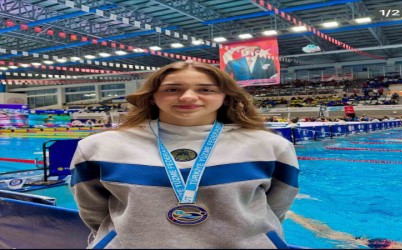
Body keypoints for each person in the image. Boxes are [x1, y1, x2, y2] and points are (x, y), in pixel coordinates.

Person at [70, 60, 300, 248]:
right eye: (172, 89)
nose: (188, 97)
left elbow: (276, 206)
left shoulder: (269, 146)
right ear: (152, 96)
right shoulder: (98, 147)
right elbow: (93, 210)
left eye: (205, 90)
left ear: (226, 96)